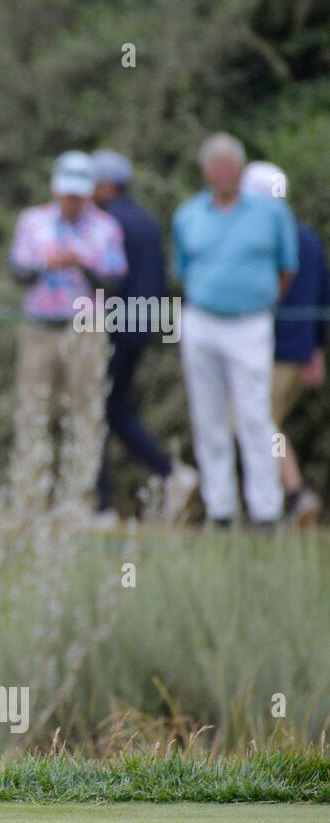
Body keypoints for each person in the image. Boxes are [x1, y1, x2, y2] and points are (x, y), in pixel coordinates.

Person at [173, 134, 296, 529]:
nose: (223, 174)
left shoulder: (270, 214)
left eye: (230, 167)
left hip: (250, 322)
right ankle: (220, 508)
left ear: (240, 171)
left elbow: (287, 268)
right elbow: (183, 269)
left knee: (254, 417)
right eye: (216, 166)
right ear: (206, 172)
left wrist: (258, 300)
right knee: (208, 417)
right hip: (202, 321)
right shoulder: (188, 215)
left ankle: (265, 510)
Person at [8, 151, 127, 516]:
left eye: (78, 195)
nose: (72, 201)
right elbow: (19, 275)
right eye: (66, 194)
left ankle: (80, 500)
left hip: (86, 328)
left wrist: (82, 263)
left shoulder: (106, 228)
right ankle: (29, 496)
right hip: (41, 327)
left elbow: (113, 283)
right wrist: (48, 263)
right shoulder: (33, 222)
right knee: (33, 410)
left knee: (86, 412)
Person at [90, 149, 198, 521]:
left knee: (101, 409)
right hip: (144, 324)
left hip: (115, 325)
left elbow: (112, 279)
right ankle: (163, 476)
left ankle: (108, 499)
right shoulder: (147, 219)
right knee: (112, 408)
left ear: (105, 186)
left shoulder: (105, 220)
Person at [241, 161, 326, 527]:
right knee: (266, 423)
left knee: (259, 423)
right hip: (299, 350)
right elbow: (323, 298)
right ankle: (277, 500)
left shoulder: (266, 239)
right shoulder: (307, 237)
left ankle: (292, 495)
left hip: (271, 349)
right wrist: (316, 350)